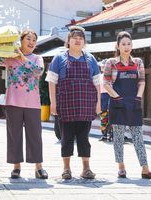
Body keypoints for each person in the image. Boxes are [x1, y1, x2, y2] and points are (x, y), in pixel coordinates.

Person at [0, 29, 48, 179]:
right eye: (28, 39)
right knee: (14, 134)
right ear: (20, 41)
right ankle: (16, 167)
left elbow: (39, 71)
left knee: (35, 135)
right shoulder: (10, 57)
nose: (31, 42)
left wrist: (22, 58)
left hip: (32, 103)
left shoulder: (37, 58)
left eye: (34, 40)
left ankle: (38, 167)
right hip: (13, 102)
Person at [46, 26, 101, 180]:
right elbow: (52, 82)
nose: (78, 40)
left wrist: (98, 103)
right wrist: (53, 103)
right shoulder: (59, 58)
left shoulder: (90, 59)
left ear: (84, 42)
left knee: (84, 138)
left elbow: (97, 83)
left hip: (86, 104)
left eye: (81, 38)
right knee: (66, 137)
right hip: (66, 104)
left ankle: (86, 168)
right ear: (68, 41)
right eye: (74, 38)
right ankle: (66, 169)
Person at [103, 31, 151, 179]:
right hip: (117, 103)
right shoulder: (111, 63)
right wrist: (117, 98)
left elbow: (142, 81)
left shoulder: (138, 62)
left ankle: (145, 169)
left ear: (132, 45)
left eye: (129, 44)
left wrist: (138, 98)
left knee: (138, 136)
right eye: (123, 44)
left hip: (134, 102)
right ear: (118, 46)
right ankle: (121, 167)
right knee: (119, 137)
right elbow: (106, 84)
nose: (126, 47)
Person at [99, 60, 112, 142]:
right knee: (103, 116)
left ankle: (111, 134)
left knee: (111, 115)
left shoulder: (110, 76)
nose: (102, 67)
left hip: (110, 95)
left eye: (104, 66)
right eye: (101, 66)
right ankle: (104, 134)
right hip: (102, 96)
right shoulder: (99, 76)